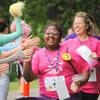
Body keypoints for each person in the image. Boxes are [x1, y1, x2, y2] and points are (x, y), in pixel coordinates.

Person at [23, 24, 90, 100]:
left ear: (60, 38)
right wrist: (27, 62)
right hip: (46, 96)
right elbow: (28, 78)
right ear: (44, 36)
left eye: (55, 33)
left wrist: (82, 80)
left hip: (68, 96)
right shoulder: (38, 54)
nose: (51, 35)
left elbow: (85, 68)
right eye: (48, 33)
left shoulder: (68, 51)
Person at [62, 11, 100, 100]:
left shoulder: (96, 43)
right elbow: (54, 53)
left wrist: (97, 58)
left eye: (79, 23)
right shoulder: (67, 43)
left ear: (86, 26)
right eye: (75, 24)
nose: (76, 26)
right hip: (72, 85)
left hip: (91, 86)